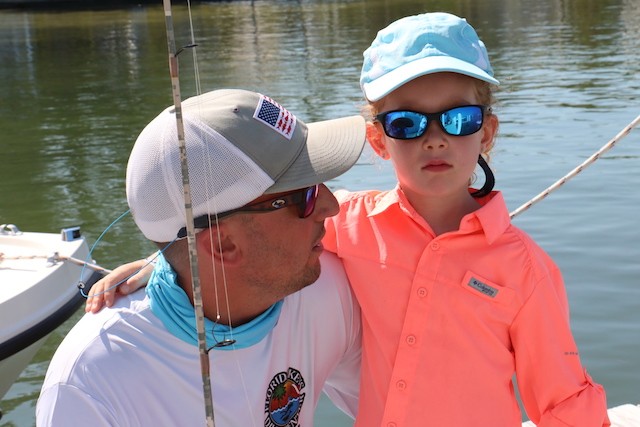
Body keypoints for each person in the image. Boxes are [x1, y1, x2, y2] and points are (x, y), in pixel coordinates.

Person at [84, 12, 611, 427]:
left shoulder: (526, 270)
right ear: (378, 140)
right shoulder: (349, 222)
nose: (435, 139)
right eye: (407, 123)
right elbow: (244, 234)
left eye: (458, 118)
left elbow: (563, 400)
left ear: (486, 132)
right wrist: (163, 263)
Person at [36, 89, 366, 426]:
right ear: (223, 245)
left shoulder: (329, 287)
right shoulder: (88, 384)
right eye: (305, 195)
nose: (331, 206)